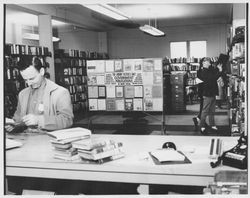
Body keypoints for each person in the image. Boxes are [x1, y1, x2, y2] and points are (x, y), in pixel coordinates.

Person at [5, 56, 74, 132]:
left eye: (32, 78)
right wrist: (13, 125)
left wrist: (39, 120)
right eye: (25, 80)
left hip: (48, 140)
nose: (28, 83)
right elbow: (17, 118)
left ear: (42, 71)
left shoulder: (60, 92)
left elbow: (67, 120)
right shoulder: (22, 94)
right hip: (26, 139)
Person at [198, 57, 223, 135]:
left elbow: (215, 73)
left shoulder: (210, 69)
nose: (210, 62)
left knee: (212, 111)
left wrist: (219, 69)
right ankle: (202, 127)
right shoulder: (203, 71)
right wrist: (220, 71)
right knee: (205, 111)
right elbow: (213, 78)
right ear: (204, 62)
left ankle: (212, 125)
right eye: (208, 61)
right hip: (207, 94)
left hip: (212, 93)